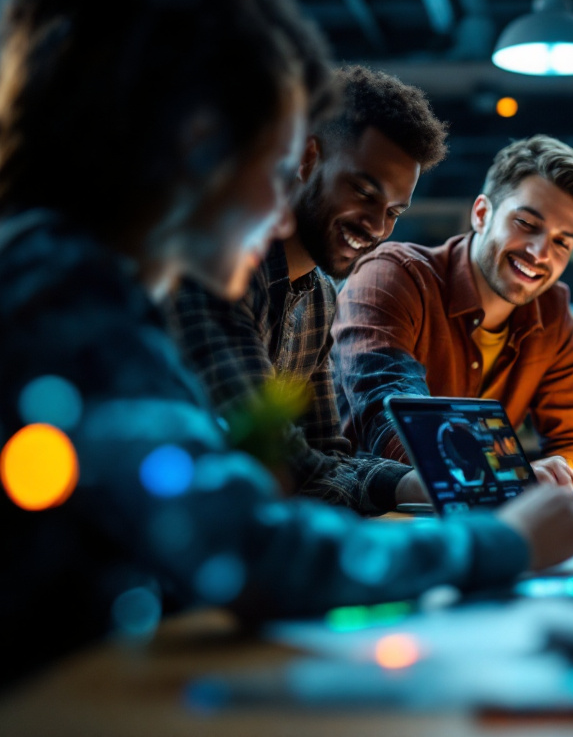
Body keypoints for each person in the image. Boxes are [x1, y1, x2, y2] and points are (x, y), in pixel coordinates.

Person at [0, 0, 573, 703]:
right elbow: (243, 545)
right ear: (197, 145)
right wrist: (501, 544)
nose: (282, 211)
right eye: (278, 165)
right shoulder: (59, 282)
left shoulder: (57, 266)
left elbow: (299, 475)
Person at [169, 65, 446, 516]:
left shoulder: (319, 297)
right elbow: (270, 457)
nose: (377, 227)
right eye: (362, 191)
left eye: (394, 211)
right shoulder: (220, 271)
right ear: (306, 158)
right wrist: (403, 486)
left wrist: (416, 482)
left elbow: (322, 453)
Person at [333, 136, 573, 500]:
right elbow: (396, 424)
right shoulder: (393, 277)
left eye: (562, 242)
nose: (539, 252)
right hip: (375, 520)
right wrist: (516, 476)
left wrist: (549, 474)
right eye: (527, 223)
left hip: (478, 520)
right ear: (481, 214)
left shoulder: (552, 313)